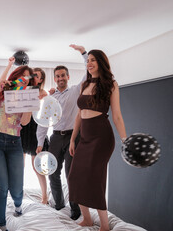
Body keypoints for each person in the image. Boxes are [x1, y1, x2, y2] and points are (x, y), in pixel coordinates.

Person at [68, 49, 127, 231]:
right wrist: (72, 139)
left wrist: (125, 140)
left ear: (101, 62)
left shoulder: (111, 84)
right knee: (74, 177)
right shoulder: (85, 84)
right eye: (88, 61)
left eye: (93, 60)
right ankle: (87, 219)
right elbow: (79, 115)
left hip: (101, 137)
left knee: (95, 179)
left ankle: (104, 225)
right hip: (84, 137)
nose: (89, 63)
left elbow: (116, 115)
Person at [36, 44, 88, 220]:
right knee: (52, 172)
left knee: (71, 174)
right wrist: (39, 143)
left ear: (68, 76)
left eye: (63, 75)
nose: (60, 78)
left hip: (74, 136)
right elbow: (43, 122)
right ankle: (58, 205)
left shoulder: (75, 90)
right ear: (54, 78)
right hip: (56, 137)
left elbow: (88, 73)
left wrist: (83, 54)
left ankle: (75, 210)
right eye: (57, 76)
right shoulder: (49, 98)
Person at [0, 63, 32, 231]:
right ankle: (2, 224)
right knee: (3, 187)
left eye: (27, 78)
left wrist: (29, 104)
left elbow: (24, 122)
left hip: (14, 144)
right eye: (22, 76)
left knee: (17, 189)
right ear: (16, 77)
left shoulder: (27, 96)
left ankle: (18, 206)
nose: (24, 80)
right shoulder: (3, 92)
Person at [20, 67, 50, 204]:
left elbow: (46, 115)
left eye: (37, 76)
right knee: (19, 164)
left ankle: (45, 196)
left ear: (41, 79)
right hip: (22, 127)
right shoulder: (24, 90)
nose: (34, 78)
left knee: (36, 165)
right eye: (32, 75)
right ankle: (18, 191)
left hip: (36, 129)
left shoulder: (43, 93)